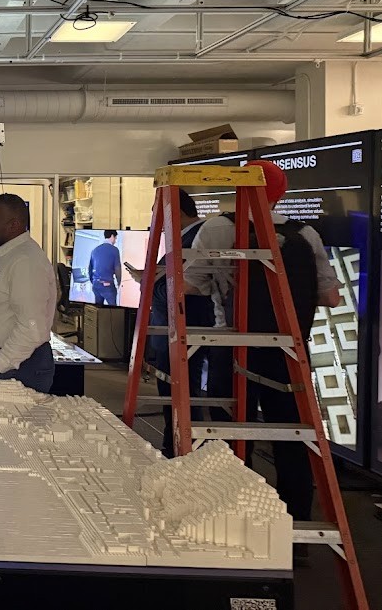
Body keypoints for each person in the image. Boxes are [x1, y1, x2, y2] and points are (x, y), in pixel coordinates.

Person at [184, 160, 340, 523]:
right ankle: (296, 523)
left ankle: (233, 517)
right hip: (287, 352)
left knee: (230, 436)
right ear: (281, 194)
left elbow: (192, 285)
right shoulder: (305, 234)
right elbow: (331, 297)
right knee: (291, 438)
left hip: (232, 348)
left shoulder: (217, 229)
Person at [129, 189, 211, 458]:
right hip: (171, 336)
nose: (154, 217)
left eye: (157, 210)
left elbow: (184, 289)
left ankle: (183, 454)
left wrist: (150, 281)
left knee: (184, 399)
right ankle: (176, 448)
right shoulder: (183, 241)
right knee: (175, 398)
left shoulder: (193, 241)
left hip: (183, 335)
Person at [0, 194, 57, 392]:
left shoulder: (25, 261)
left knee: (12, 423)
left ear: (14, 225)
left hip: (17, 368)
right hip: (5, 363)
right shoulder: (8, 255)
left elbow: (31, 327)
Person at [88, 229, 122, 306]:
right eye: (115, 238)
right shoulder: (114, 250)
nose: (115, 241)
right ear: (112, 236)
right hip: (107, 285)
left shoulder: (95, 250)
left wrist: (93, 282)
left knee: (98, 309)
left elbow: (90, 269)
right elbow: (117, 268)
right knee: (113, 310)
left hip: (96, 285)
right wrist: (119, 282)